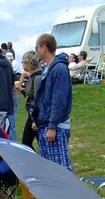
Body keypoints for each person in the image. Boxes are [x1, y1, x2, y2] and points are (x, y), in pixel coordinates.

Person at [33, 33, 74, 171]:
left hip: (55, 127)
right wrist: (37, 120)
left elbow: (59, 101)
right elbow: (43, 99)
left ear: (44, 47)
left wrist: (52, 127)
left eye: (37, 47)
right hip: (45, 125)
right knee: (50, 171)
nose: (36, 51)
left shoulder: (59, 69)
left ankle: (70, 193)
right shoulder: (49, 69)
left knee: (61, 170)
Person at [16, 50, 43, 149]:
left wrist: (35, 120)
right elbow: (31, 95)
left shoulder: (37, 77)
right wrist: (22, 91)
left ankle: (36, 162)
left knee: (26, 144)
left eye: (23, 61)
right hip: (32, 114)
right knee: (32, 143)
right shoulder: (33, 76)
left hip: (35, 115)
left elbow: (38, 99)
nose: (22, 63)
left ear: (29, 63)